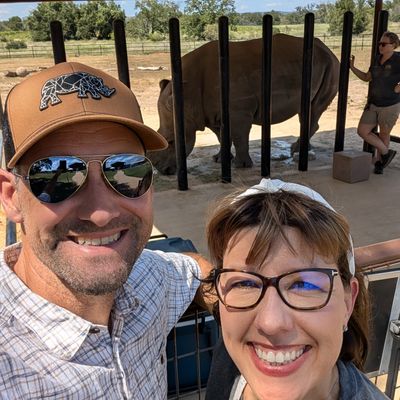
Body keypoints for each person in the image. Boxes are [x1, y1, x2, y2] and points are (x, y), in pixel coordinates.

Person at [0, 61, 210, 399]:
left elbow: (197, 272)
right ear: (12, 197)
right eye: (58, 176)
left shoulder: (147, 279)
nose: (101, 213)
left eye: (126, 171)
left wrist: (241, 310)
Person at [203, 179, 388, 400]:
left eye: (305, 285)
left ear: (348, 303)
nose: (271, 323)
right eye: (245, 283)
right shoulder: (230, 357)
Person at [350, 31, 400, 175]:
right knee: (362, 131)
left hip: (390, 105)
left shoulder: (398, 59)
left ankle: (379, 163)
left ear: (393, 45)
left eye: (384, 44)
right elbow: (367, 77)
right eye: (379, 44)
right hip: (373, 103)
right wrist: (352, 67)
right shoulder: (377, 59)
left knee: (384, 134)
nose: (380, 46)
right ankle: (385, 153)